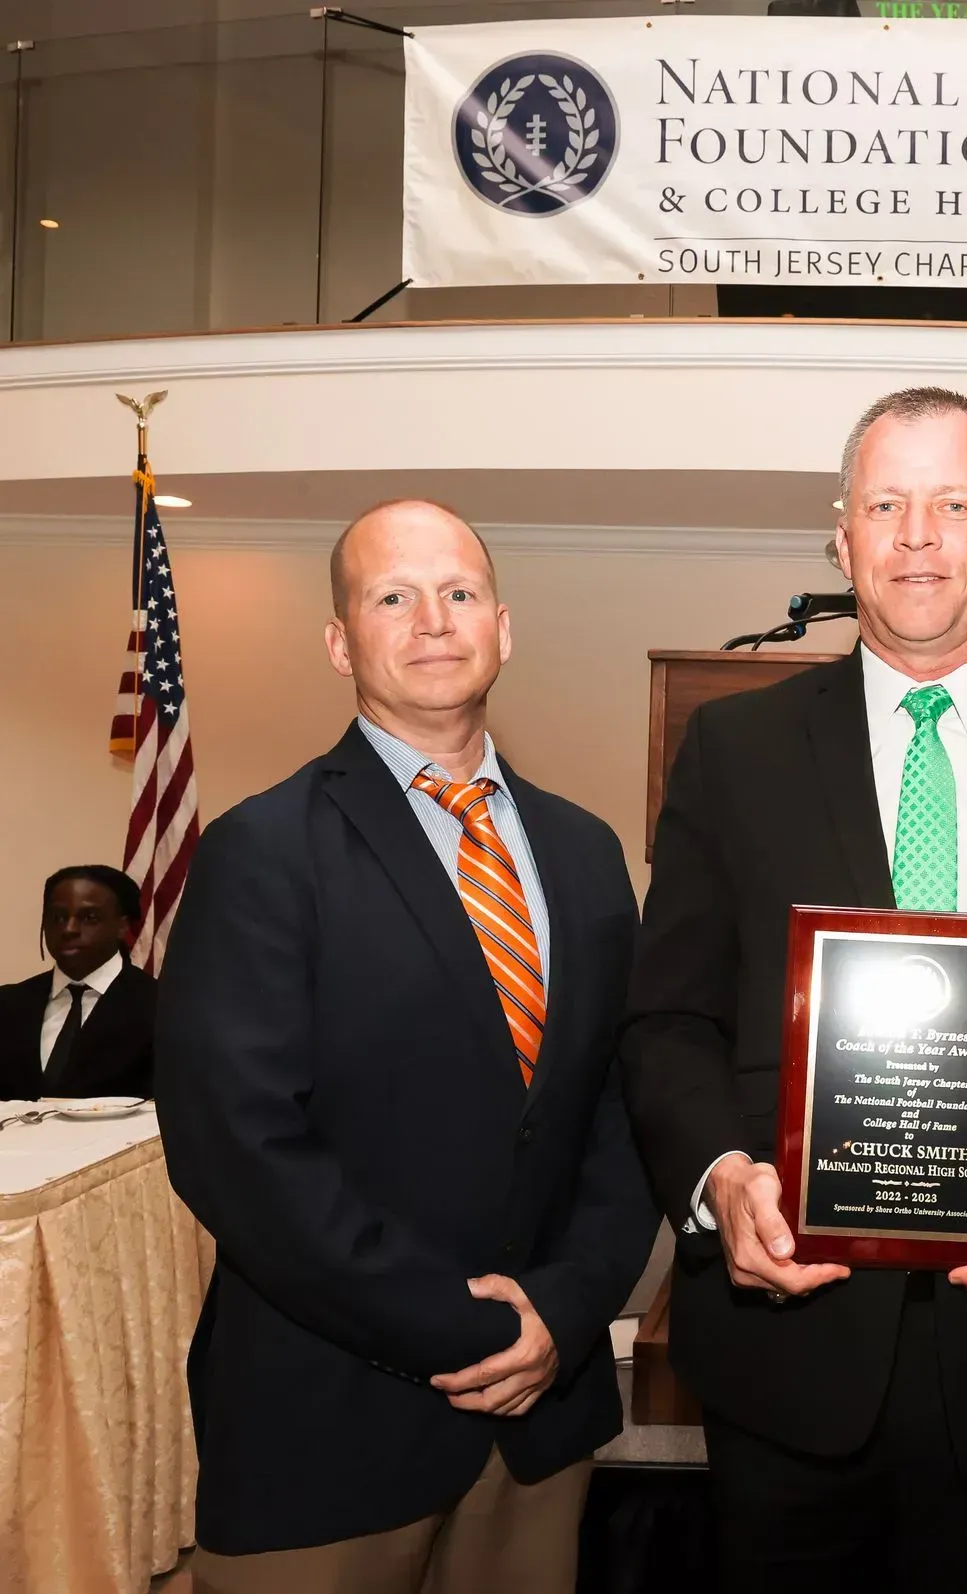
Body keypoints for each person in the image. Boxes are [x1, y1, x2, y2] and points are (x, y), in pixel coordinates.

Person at [621, 387, 967, 1593]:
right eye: (885, 505)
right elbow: (666, 1016)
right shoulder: (735, 752)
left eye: (951, 503)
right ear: (843, 539)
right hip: (787, 1361)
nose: (918, 536)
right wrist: (722, 1179)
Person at [156, 500, 655, 1594]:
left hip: (538, 1424)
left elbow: (622, 1116)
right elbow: (235, 1145)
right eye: (393, 595)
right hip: (328, 1425)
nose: (433, 619)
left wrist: (564, 1315)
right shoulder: (262, 850)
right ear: (341, 641)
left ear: (503, 627)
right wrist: (464, 1325)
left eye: (459, 592)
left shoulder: (584, 850)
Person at [0, 865, 154, 1099]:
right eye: (58, 917)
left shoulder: (161, 1007)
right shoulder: (7, 1005)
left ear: (122, 926)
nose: (69, 929)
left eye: (89, 918)